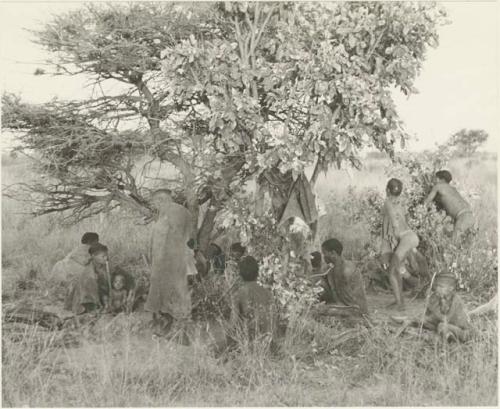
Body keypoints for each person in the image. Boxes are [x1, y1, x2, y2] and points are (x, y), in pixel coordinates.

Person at [145, 189, 193, 336]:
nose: (155, 206)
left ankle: (178, 332)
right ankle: (167, 329)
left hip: (171, 263)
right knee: (169, 297)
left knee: (174, 296)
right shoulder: (170, 212)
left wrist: (162, 265)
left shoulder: (175, 212)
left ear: (161, 200)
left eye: (155, 203)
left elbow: (175, 238)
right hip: (167, 263)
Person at [381, 178, 419, 311]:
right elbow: (406, 219)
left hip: (404, 239)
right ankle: (400, 299)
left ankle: (400, 304)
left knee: (392, 271)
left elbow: (394, 222)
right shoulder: (403, 202)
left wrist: (395, 239)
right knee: (398, 269)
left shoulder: (387, 202)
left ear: (387, 190)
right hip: (410, 236)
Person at [231, 256, 276, 342]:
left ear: (240, 275)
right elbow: (273, 322)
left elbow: (233, 324)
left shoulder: (238, 294)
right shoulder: (268, 293)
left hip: (250, 341)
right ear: (257, 273)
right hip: (268, 341)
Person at [424, 170, 474, 242]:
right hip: (470, 216)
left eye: (435, 178)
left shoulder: (438, 186)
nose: (434, 181)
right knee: (464, 246)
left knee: (452, 245)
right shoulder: (453, 189)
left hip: (462, 217)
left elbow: (426, 203)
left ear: (439, 179)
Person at [321, 238, 368, 315]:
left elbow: (349, 301)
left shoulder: (347, 270)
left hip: (355, 309)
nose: (324, 256)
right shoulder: (331, 269)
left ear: (333, 253)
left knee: (324, 311)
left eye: (325, 253)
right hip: (344, 307)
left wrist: (332, 307)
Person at [64, 243, 105, 315]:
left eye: (106, 256)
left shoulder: (100, 266)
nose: (106, 258)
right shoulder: (89, 273)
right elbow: (90, 291)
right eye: (103, 256)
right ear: (93, 256)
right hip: (84, 301)